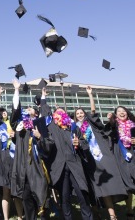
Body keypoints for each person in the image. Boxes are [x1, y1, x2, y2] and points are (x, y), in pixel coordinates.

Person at [37, 87, 93, 220]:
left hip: (75, 165)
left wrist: (78, 144)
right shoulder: (52, 128)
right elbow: (45, 113)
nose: (59, 114)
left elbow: (85, 144)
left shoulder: (73, 128)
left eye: (62, 112)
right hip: (60, 167)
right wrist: (44, 97)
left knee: (82, 195)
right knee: (65, 198)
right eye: (57, 112)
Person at [74, 86, 128, 220]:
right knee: (94, 187)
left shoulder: (91, 123)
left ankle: (112, 215)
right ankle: (96, 211)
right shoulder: (74, 128)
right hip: (88, 159)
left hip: (101, 156)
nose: (80, 115)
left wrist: (90, 95)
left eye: (81, 113)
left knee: (107, 185)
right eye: (77, 114)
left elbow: (93, 111)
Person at [9, 80, 48, 220]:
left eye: (31, 108)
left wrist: (39, 136)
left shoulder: (39, 124)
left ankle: (43, 215)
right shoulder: (20, 126)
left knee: (40, 193)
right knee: (26, 197)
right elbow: (15, 109)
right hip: (23, 166)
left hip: (37, 165)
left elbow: (45, 114)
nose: (28, 109)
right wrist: (17, 90)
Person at [0, 85, 23, 220]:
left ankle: (20, 216)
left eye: (5, 112)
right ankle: (6, 217)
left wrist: (14, 134)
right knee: (5, 191)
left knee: (16, 190)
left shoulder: (13, 124)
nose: (3, 113)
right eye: (1, 113)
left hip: (14, 156)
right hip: (3, 157)